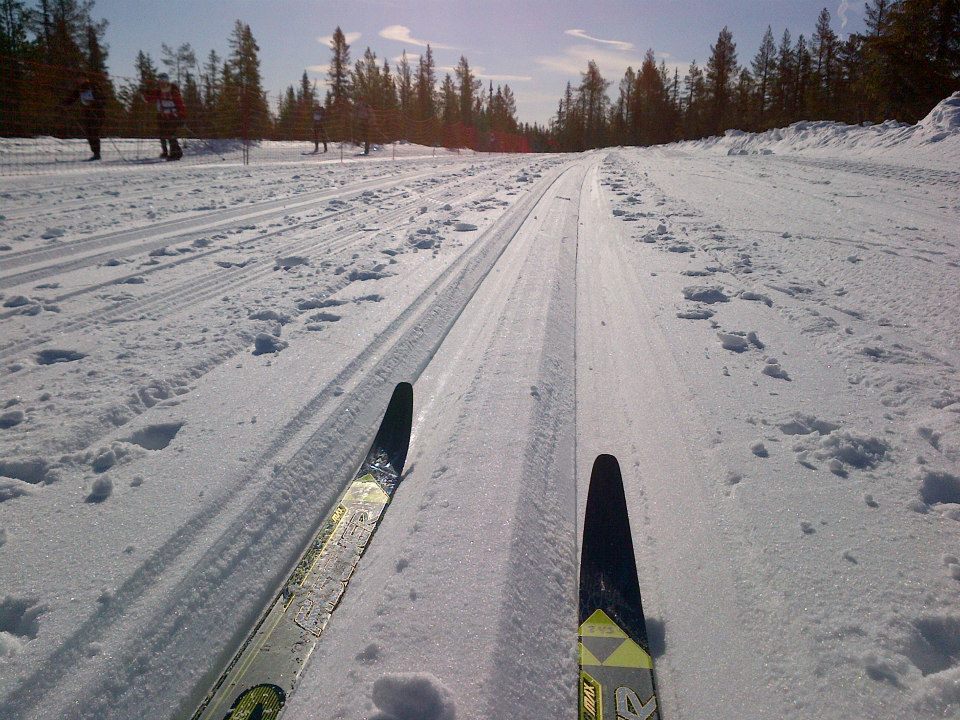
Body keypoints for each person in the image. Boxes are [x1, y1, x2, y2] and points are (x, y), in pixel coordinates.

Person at [63, 73, 106, 161]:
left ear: (86, 79)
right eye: (78, 79)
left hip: (98, 113)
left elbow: (102, 98)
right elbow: (72, 98)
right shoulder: (79, 89)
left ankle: (97, 154)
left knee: (95, 133)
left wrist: (97, 104)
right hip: (88, 114)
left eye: (80, 78)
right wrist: (64, 105)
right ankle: (95, 153)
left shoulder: (93, 86)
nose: (79, 80)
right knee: (89, 133)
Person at [143, 72, 186, 161]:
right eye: (160, 80)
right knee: (163, 134)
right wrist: (145, 92)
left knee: (171, 134)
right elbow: (149, 98)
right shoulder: (158, 91)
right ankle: (166, 152)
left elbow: (180, 104)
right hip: (162, 116)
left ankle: (176, 153)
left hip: (172, 116)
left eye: (163, 80)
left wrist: (182, 117)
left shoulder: (173, 91)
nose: (161, 82)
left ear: (167, 81)